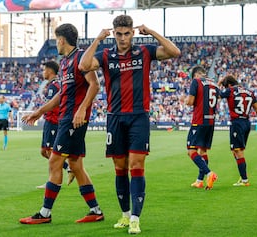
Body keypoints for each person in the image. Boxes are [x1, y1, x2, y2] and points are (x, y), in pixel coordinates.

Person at [79, 14, 181, 234]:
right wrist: (97, 39)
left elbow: (174, 52)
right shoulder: (105, 55)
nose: (123, 38)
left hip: (138, 116)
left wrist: (152, 32)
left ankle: (135, 217)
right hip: (114, 117)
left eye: (127, 33)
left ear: (133, 33)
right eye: (119, 34)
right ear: (113, 33)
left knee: (136, 165)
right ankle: (125, 215)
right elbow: (84, 66)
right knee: (119, 167)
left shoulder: (144, 52)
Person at [19, 23, 104, 224]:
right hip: (67, 118)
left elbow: (95, 85)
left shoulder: (80, 58)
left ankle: (45, 214)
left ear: (61, 40)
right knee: (75, 165)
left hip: (73, 119)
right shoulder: (65, 62)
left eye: (56, 39)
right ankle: (95, 210)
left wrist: (82, 108)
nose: (56, 43)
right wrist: (39, 111)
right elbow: (61, 94)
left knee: (54, 161)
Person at [218, 75, 257, 186]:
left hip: (237, 123)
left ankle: (245, 180)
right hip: (246, 123)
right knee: (236, 150)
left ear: (229, 85)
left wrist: (219, 83)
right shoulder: (249, 92)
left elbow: (216, 95)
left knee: (238, 152)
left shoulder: (230, 90)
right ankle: (243, 175)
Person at [35, 60, 74, 189]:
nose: (43, 72)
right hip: (50, 121)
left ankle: (59, 176)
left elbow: (52, 105)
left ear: (50, 71)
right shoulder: (53, 85)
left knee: (51, 151)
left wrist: (38, 113)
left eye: (44, 69)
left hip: (53, 121)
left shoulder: (54, 86)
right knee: (44, 151)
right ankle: (62, 172)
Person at [185, 66, 219, 190]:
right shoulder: (214, 84)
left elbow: (190, 101)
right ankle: (199, 181)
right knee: (203, 151)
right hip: (210, 121)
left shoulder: (196, 82)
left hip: (199, 121)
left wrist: (185, 100)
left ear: (196, 75)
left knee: (191, 150)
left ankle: (209, 174)